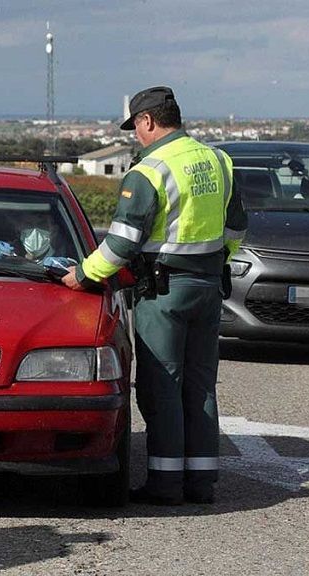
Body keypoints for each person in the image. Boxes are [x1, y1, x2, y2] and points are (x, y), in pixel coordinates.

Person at [60, 86, 248, 506]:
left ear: (147, 121)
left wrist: (85, 275)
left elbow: (122, 244)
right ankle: (201, 484)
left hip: (162, 292)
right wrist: (216, 260)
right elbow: (237, 227)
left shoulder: (150, 171)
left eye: (136, 128)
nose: (136, 137)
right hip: (207, 287)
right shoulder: (218, 161)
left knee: (162, 385)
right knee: (200, 386)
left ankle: (165, 485)